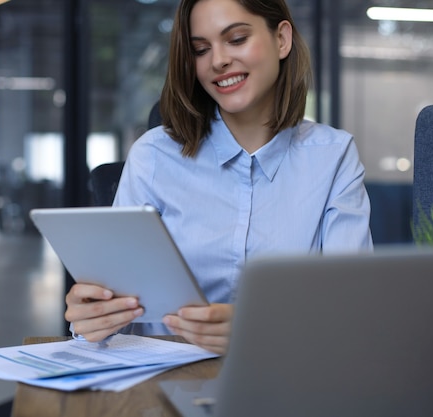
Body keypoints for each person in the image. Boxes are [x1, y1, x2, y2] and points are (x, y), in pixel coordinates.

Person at [64, 0, 373, 355]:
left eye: (237, 39)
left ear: (282, 39)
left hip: (286, 375)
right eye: (200, 49)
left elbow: (351, 309)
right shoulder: (153, 155)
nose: (218, 61)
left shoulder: (333, 156)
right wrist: (92, 319)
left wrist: (258, 328)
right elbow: (113, 303)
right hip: (161, 381)